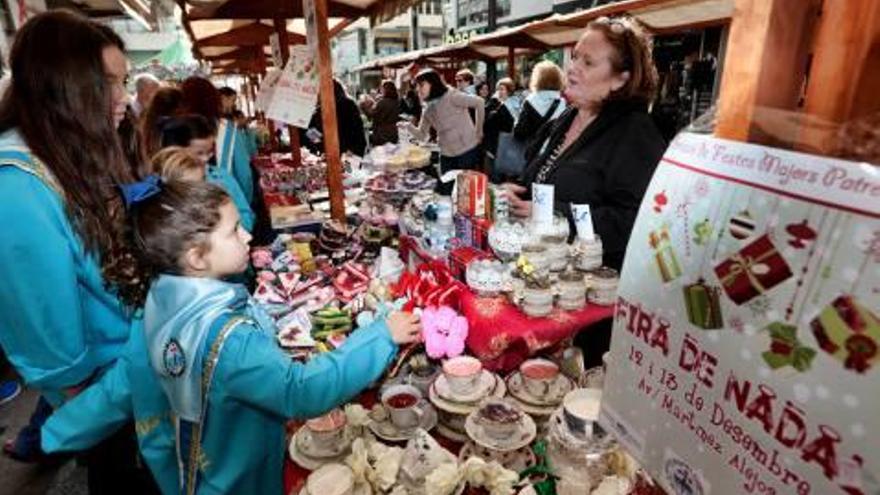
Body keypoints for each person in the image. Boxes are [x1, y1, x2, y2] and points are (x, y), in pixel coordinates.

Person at [44, 179, 423, 494]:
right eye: (233, 230)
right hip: (241, 475)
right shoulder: (227, 338)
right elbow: (301, 391)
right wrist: (381, 335)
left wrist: (57, 431)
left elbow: (123, 384)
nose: (247, 235)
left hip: (195, 466)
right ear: (196, 257)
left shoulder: (160, 299)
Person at [0, 10, 160, 492]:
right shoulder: (17, 183)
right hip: (110, 397)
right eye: (107, 83)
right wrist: (94, 404)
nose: (122, 99)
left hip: (133, 378)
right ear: (63, 85)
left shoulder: (70, 152)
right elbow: (47, 332)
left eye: (124, 81)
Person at [504, 16, 666, 271]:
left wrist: (553, 215)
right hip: (541, 270)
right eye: (575, 56)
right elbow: (545, 180)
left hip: (590, 287)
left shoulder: (635, 132)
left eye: (588, 62)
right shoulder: (567, 117)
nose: (572, 67)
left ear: (620, 79)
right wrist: (516, 192)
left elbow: (634, 220)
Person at [158, 114, 256, 232]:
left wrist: (230, 225)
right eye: (199, 153)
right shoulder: (164, 187)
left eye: (210, 152)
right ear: (176, 150)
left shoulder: (221, 177)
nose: (205, 158)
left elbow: (246, 215)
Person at [402, 69, 485, 193]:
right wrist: (408, 126)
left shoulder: (452, 95)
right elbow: (422, 135)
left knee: (465, 193)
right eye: (417, 86)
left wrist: (478, 131)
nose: (418, 89)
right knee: (447, 192)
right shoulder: (428, 109)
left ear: (433, 83)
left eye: (421, 85)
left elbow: (479, 102)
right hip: (446, 155)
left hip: (466, 151)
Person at [180, 77, 255, 205]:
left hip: (185, 206)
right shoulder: (227, 129)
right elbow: (244, 175)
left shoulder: (173, 129)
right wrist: (245, 206)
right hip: (224, 202)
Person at [303, 79, 367, 156]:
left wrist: (320, 146)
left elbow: (311, 132)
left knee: (347, 167)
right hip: (348, 154)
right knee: (348, 167)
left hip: (340, 155)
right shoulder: (349, 104)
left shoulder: (326, 109)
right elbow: (359, 134)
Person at [513, 60, 566, 144]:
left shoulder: (530, 100)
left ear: (537, 79)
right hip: (552, 152)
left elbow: (520, 133)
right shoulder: (563, 102)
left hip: (532, 152)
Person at [482, 78, 517, 169]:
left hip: (503, 146)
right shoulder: (498, 104)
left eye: (502, 89)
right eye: (498, 89)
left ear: (509, 91)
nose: (499, 92)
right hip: (495, 146)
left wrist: (493, 101)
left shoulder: (510, 106)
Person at [362, 80, 401, 146]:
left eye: (382, 89)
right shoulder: (396, 101)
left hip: (382, 135)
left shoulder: (382, 102)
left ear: (386, 90)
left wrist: (363, 105)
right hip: (393, 133)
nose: (381, 90)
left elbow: (371, 115)